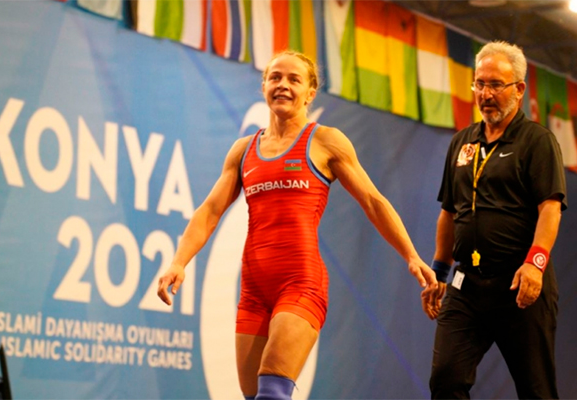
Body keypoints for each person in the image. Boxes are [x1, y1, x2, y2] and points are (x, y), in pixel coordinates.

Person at [157, 50, 437, 400]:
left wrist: (411, 255)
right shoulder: (243, 150)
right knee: (254, 396)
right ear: (263, 86)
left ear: (310, 92)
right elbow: (210, 211)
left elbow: (373, 201)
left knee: (273, 391)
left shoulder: (326, 141)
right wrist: (178, 262)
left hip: (301, 282)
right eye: (275, 77)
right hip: (254, 289)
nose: (283, 85)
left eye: (294, 79)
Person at [421, 41, 567, 399]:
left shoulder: (537, 141)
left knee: (536, 390)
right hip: (467, 286)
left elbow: (550, 208)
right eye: (479, 83)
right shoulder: (462, 143)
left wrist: (535, 264)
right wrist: (439, 273)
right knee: (445, 379)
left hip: (519, 285)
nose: (485, 94)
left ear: (519, 89)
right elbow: (449, 211)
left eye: (495, 85)